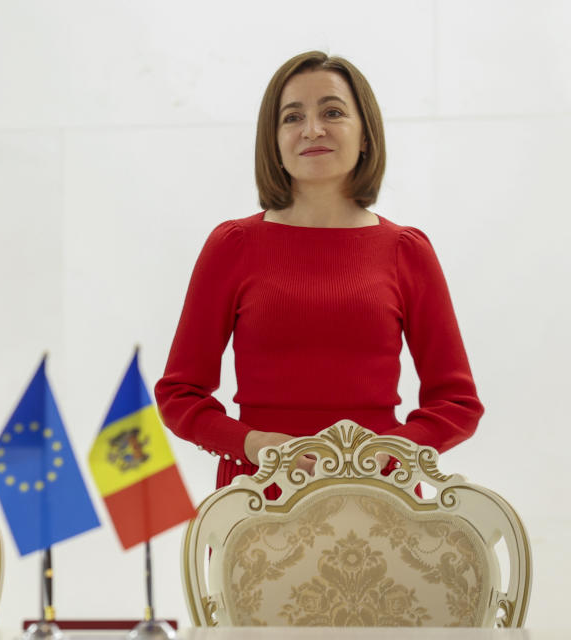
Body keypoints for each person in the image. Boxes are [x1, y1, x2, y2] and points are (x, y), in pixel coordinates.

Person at [155, 51, 483, 492]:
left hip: (382, 500)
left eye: (332, 112)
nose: (312, 129)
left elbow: (458, 403)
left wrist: (389, 452)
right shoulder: (231, 246)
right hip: (258, 499)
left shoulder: (408, 251)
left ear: (365, 134)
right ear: (272, 140)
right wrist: (255, 446)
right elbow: (180, 395)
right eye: (292, 117)